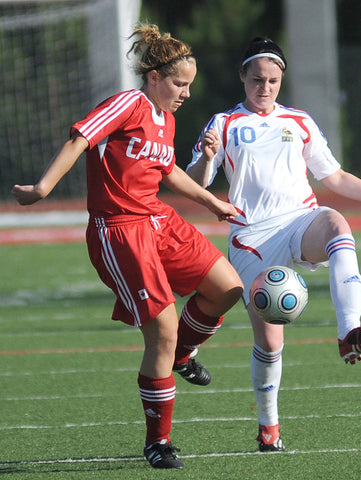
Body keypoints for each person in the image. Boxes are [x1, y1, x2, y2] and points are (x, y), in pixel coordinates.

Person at [12, 23, 243, 470]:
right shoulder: (128, 103)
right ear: (154, 76)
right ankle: (158, 443)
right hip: (120, 231)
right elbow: (80, 139)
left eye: (189, 85)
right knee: (163, 328)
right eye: (180, 84)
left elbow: (168, 172)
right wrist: (42, 188)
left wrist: (213, 202)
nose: (186, 94)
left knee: (227, 288)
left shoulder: (167, 118)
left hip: (159, 219)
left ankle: (180, 355)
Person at [187, 37, 361, 453]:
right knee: (270, 342)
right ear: (242, 76)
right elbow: (196, 183)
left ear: (281, 80)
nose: (265, 88)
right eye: (257, 79)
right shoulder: (222, 123)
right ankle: (269, 427)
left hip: (299, 220)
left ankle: (350, 331)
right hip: (252, 239)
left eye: (273, 81)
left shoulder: (299, 121)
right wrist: (206, 158)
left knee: (335, 222)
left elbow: (335, 178)